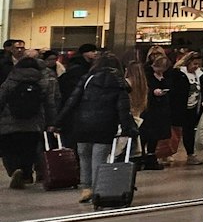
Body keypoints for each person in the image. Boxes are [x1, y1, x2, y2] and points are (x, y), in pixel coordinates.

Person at [53, 53, 137, 205]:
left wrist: (58, 122)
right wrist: (128, 127)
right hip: (105, 125)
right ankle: (98, 188)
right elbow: (123, 109)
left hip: (82, 124)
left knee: (84, 155)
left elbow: (72, 101)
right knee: (99, 157)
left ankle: (86, 188)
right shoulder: (119, 83)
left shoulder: (87, 79)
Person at [0, 56, 56, 188]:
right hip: (33, 124)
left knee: (9, 150)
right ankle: (26, 175)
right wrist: (52, 122)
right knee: (28, 151)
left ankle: (14, 170)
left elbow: (1, 99)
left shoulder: (10, 80)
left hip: (8, 123)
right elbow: (50, 104)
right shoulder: (42, 82)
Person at [136, 46, 175, 170]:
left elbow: (171, 86)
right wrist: (153, 91)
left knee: (156, 135)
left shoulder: (167, 74)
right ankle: (142, 157)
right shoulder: (145, 73)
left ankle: (151, 156)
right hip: (148, 107)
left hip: (161, 108)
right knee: (145, 133)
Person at [174, 51, 203, 166]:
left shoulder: (200, 75)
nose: (196, 66)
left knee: (189, 131)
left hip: (194, 107)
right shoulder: (179, 74)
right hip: (181, 107)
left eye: (199, 64)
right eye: (194, 64)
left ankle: (190, 154)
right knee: (176, 130)